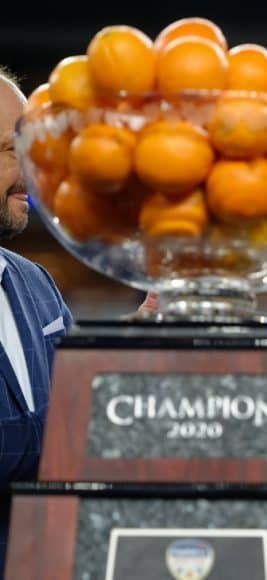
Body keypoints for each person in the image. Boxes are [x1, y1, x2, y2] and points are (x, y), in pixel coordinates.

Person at [0, 67, 74, 574]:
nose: (30, 171)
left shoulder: (36, 285)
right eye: (10, 150)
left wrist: (139, 341)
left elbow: (78, 400)